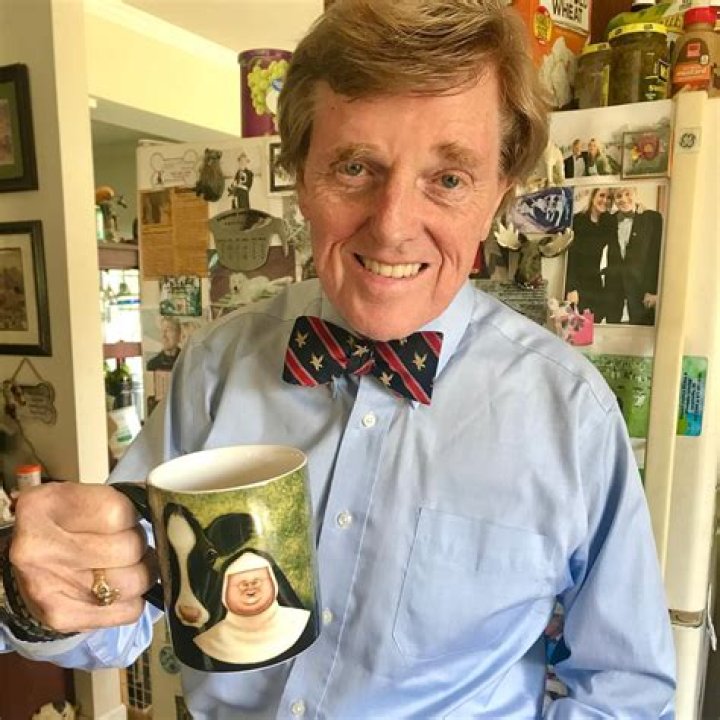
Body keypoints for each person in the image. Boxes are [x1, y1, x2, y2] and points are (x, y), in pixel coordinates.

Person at [2, 2, 675, 718]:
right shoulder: (217, 364)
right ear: (299, 175)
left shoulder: (569, 411)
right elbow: (117, 607)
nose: (392, 227)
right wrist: (34, 594)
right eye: (355, 168)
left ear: (497, 197)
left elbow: (626, 690)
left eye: (449, 179)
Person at [193, 551, 312, 666]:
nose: (249, 586)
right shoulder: (209, 641)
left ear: (274, 584)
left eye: (257, 581)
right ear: (224, 592)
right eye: (241, 583)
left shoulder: (302, 622)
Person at [604, 185, 663, 325]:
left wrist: (654, 291)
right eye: (618, 196)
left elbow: (657, 256)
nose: (623, 199)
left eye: (627, 193)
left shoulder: (652, 218)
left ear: (636, 193)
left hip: (642, 292)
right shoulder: (609, 220)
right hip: (614, 294)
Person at [565, 186, 615, 321]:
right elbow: (571, 256)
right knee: (577, 328)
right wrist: (571, 287)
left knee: (593, 324)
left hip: (595, 283)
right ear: (593, 196)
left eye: (609, 197)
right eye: (602, 195)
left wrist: (640, 209)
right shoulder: (577, 220)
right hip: (577, 282)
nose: (605, 200)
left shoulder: (609, 222)